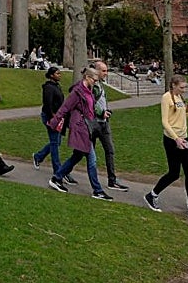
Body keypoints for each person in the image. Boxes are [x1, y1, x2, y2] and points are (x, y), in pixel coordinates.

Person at [144, 76, 188, 221]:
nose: (184, 90)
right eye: (181, 87)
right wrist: (176, 139)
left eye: (185, 87)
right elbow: (165, 122)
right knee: (174, 173)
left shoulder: (180, 98)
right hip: (172, 140)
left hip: (184, 138)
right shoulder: (166, 98)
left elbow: (179, 118)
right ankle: (152, 195)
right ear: (173, 85)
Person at [46, 66, 112, 201]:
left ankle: (57, 177)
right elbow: (64, 108)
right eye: (94, 80)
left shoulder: (89, 91)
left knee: (77, 156)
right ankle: (97, 190)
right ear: (87, 77)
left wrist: (101, 113)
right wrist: (54, 123)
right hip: (81, 128)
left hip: (87, 128)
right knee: (92, 160)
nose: (95, 82)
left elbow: (91, 109)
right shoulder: (77, 92)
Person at [91, 60, 128, 191]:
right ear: (96, 71)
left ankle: (112, 180)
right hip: (93, 124)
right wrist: (101, 112)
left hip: (104, 124)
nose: (106, 73)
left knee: (110, 150)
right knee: (84, 153)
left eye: (106, 70)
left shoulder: (100, 85)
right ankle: (62, 173)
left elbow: (101, 102)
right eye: (103, 71)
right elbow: (90, 103)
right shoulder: (92, 86)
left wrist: (106, 111)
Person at [32, 65, 65, 176]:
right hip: (50, 117)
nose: (59, 75)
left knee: (56, 142)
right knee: (55, 143)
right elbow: (47, 104)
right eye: (57, 73)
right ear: (51, 75)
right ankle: (58, 169)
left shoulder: (57, 86)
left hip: (58, 117)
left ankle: (38, 156)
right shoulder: (49, 88)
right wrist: (52, 117)